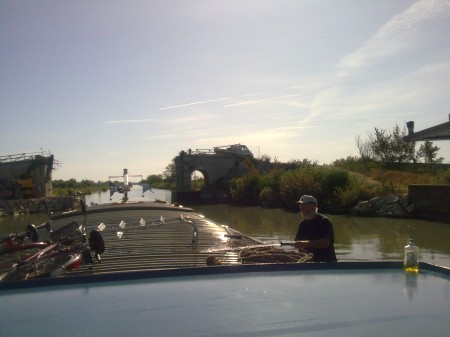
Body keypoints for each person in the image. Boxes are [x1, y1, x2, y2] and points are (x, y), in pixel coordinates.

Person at [293, 195, 337, 262]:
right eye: (300, 206)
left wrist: (305, 243)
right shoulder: (302, 224)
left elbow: (325, 243)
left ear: (313, 206)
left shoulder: (324, 221)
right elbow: (298, 244)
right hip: (308, 262)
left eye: (304, 206)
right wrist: (298, 246)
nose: (302, 209)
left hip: (326, 264)